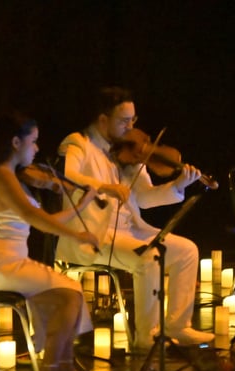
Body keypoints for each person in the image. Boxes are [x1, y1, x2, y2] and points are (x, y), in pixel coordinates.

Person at [55, 86, 214, 348]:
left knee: (187, 250)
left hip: (130, 232)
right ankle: (146, 336)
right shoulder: (78, 143)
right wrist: (105, 187)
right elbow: (68, 175)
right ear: (103, 119)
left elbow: (145, 198)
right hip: (95, 236)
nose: (131, 127)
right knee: (149, 256)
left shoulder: (126, 151)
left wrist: (179, 185)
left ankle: (178, 326)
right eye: (124, 121)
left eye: (133, 120)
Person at [0, 113, 100, 371]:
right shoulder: (2, 174)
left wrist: (82, 204)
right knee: (70, 294)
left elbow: (41, 218)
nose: (37, 149)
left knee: (70, 294)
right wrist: (77, 235)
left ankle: (60, 366)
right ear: (16, 142)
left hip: (7, 261)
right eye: (34, 141)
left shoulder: (8, 175)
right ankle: (52, 370)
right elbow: (33, 216)